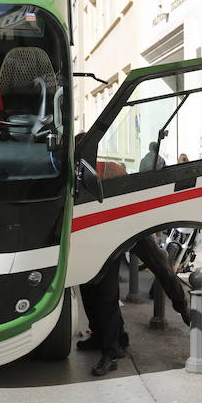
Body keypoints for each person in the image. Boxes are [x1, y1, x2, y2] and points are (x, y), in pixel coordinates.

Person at [74, 132, 129, 376]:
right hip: (86, 243)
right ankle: (101, 338)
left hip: (109, 245)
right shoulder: (75, 171)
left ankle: (112, 351)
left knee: (107, 298)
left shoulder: (111, 169)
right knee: (89, 293)